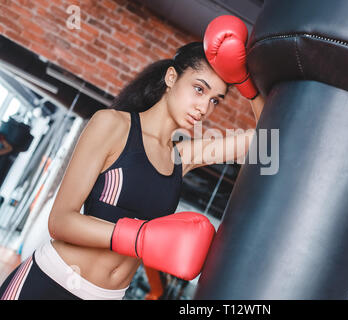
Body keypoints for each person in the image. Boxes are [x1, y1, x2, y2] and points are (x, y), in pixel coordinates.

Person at [0, 17, 265, 300]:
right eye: (199, 89)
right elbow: (61, 221)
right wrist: (140, 239)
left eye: (215, 100)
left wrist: (245, 82)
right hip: (50, 282)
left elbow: (268, 137)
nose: (204, 107)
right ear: (172, 78)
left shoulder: (182, 156)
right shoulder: (113, 125)